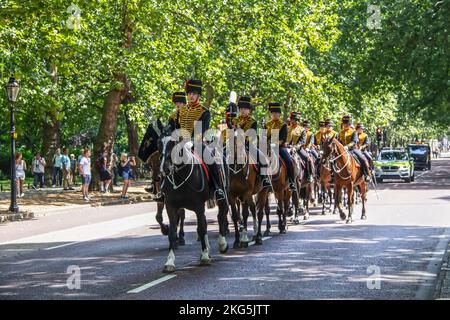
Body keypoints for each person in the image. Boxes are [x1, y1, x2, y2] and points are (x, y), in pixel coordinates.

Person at [154, 79, 227, 203]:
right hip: (178, 144)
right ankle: (162, 191)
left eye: (193, 93)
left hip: (196, 143)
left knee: (211, 159)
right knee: (164, 159)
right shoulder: (176, 114)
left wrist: (191, 141)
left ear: (198, 95)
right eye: (189, 94)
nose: (191, 96)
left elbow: (202, 130)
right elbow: (172, 130)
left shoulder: (204, 111)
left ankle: (217, 188)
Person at [224, 96, 271, 189]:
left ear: (249, 110)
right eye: (241, 109)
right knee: (220, 157)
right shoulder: (234, 120)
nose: (243, 111)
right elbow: (229, 131)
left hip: (248, 144)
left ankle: (265, 179)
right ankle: (222, 179)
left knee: (263, 158)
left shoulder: (253, 121)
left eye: (245, 109)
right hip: (233, 144)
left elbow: (252, 135)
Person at [265, 103, 296, 190]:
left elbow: (283, 138)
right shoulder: (267, 124)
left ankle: (291, 181)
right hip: (267, 147)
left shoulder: (283, 125)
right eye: (273, 113)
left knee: (289, 161)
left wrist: (274, 144)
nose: (274, 115)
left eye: (276, 113)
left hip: (279, 147)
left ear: (279, 114)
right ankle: (263, 179)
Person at [338, 115, 371, 182]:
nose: (345, 125)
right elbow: (339, 141)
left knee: (363, 159)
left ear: (349, 124)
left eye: (347, 124)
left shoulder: (353, 132)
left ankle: (367, 174)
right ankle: (333, 175)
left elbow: (354, 141)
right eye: (344, 124)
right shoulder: (341, 133)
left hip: (352, 150)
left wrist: (347, 146)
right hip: (342, 151)